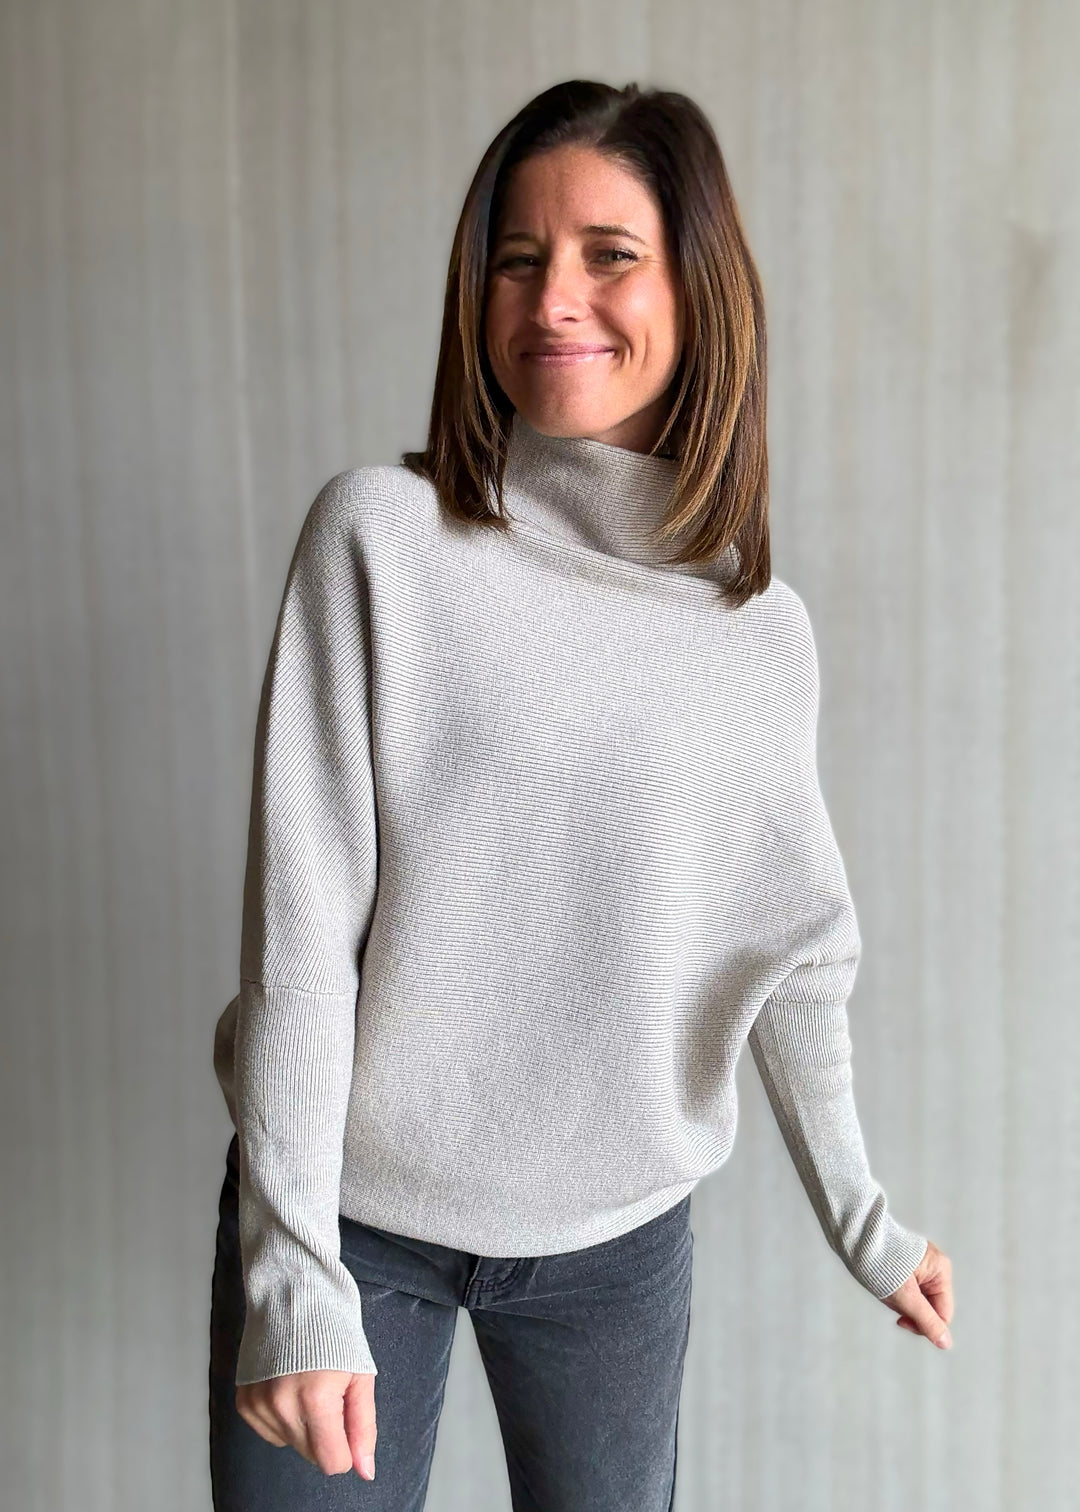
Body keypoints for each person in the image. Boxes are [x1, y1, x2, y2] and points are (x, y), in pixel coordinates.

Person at [208, 78, 954, 1512]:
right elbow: (299, 941)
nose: (556, 297)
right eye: (516, 255)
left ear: (695, 289)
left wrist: (868, 1222)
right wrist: (294, 1274)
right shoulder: (381, 539)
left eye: (611, 253)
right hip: (351, 1229)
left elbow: (792, 952)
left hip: (619, 1246)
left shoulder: (758, 632)